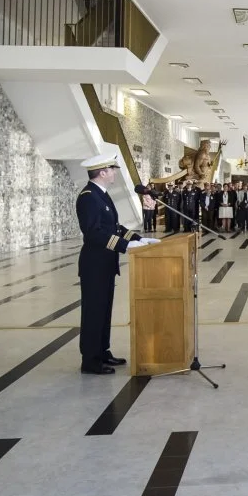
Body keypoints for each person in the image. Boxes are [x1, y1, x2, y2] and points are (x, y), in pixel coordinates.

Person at [75, 154, 159, 374]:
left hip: (105, 264)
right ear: (102, 172)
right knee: (94, 312)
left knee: (104, 311)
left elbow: (115, 227)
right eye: (112, 169)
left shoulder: (101, 195)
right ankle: (90, 360)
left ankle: (103, 352)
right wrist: (124, 246)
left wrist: (138, 239)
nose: (114, 172)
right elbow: (93, 233)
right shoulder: (88, 197)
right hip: (94, 265)